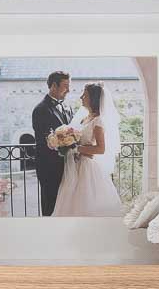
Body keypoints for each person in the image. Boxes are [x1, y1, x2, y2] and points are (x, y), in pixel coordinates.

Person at [52, 83, 122, 218]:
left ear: (93, 98)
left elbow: (101, 149)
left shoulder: (98, 121)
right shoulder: (85, 118)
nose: (81, 97)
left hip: (87, 167)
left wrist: (76, 148)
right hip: (76, 165)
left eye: (85, 95)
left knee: (86, 201)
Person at [30, 71, 71, 217]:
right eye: (65, 86)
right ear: (54, 85)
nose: (69, 90)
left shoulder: (67, 107)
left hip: (67, 166)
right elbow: (45, 140)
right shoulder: (40, 109)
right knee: (50, 206)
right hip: (49, 168)